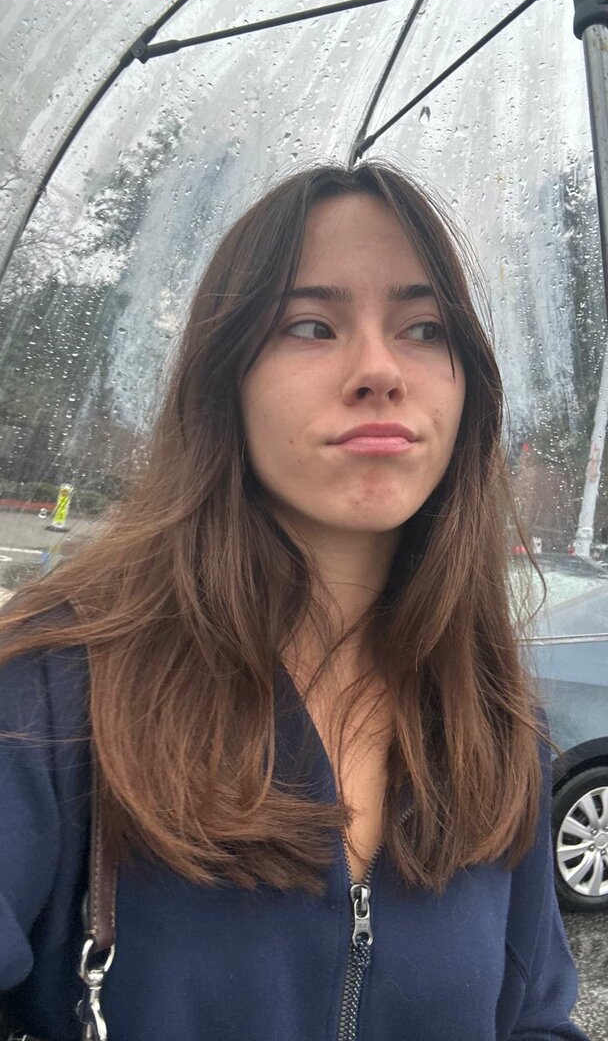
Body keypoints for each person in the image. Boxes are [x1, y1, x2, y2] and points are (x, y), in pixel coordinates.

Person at [0, 162, 588, 1041]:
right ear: (225, 376)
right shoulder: (50, 689)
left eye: (424, 328)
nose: (379, 370)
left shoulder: (498, 721)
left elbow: (533, 1019)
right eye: (312, 325)